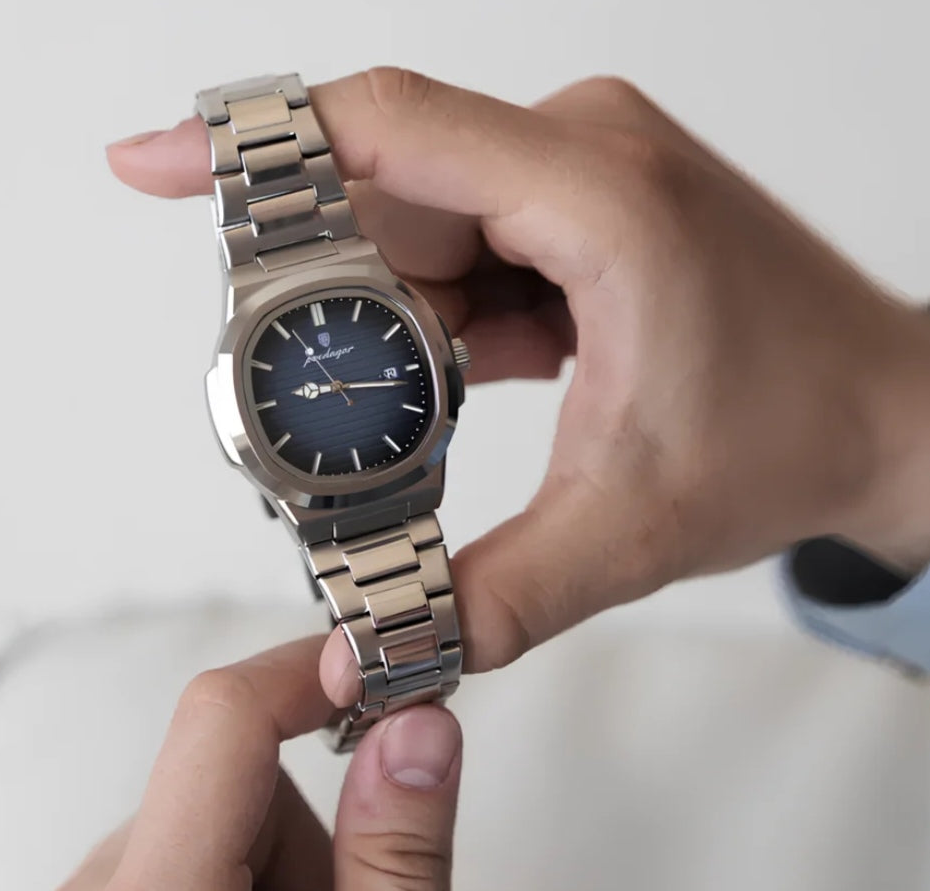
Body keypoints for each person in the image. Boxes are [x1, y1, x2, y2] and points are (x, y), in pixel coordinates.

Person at [60, 69, 930, 890]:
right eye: (314, 390)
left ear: (441, 360)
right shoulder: (276, 392)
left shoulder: (409, 362)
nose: (332, 389)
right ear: (241, 419)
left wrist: (884, 435)